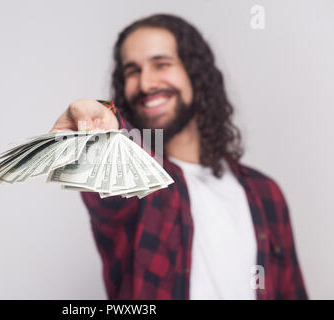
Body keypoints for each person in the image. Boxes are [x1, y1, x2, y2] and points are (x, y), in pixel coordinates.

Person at [50, 14, 307, 300]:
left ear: (195, 74)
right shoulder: (145, 188)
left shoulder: (265, 193)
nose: (146, 84)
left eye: (161, 64)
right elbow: (111, 180)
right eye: (132, 71)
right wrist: (100, 128)